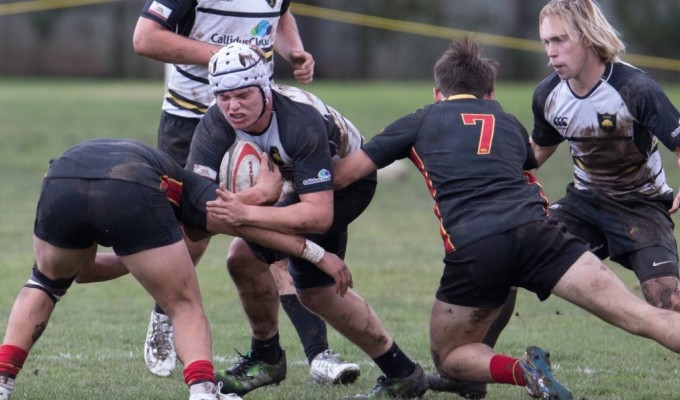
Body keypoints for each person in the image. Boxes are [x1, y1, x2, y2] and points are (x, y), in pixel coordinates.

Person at [331, 35, 680, 399]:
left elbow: (344, 175)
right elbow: (527, 161)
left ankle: (519, 369)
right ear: (491, 93)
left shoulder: (420, 119)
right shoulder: (508, 122)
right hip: (543, 235)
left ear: (437, 93)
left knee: (450, 357)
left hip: (478, 249)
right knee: (642, 317)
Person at [0, 138, 353, 400]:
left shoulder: (172, 177)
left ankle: (2, 380)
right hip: (130, 186)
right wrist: (317, 254)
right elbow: (246, 226)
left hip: (60, 179)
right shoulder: (194, 190)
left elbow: (83, 270)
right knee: (183, 305)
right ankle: (202, 391)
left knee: (43, 284)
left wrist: (138, 256)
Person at [126, 0, 353, 382]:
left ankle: (318, 354)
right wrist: (230, 62)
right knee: (191, 230)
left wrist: (292, 49)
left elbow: (279, 18)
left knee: (278, 225)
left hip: (263, 116)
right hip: (192, 116)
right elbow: (145, 38)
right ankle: (166, 311)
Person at [195, 42, 430, 399]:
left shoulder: (299, 122)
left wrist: (248, 209)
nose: (232, 106)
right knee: (257, 265)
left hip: (343, 184)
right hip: (293, 186)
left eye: (243, 95)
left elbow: (318, 216)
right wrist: (255, 198)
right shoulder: (216, 120)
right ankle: (271, 356)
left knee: (309, 290)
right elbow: (199, 204)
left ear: (265, 87)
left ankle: (398, 373)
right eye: (223, 96)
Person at [531, 0, 680, 311]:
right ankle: (470, 358)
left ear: (586, 37)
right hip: (584, 205)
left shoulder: (635, 89)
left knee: (667, 300)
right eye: (546, 41)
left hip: (642, 206)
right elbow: (538, 151)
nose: (551, 51)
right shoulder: (548, 96)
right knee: (507, 260)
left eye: (559, 40)